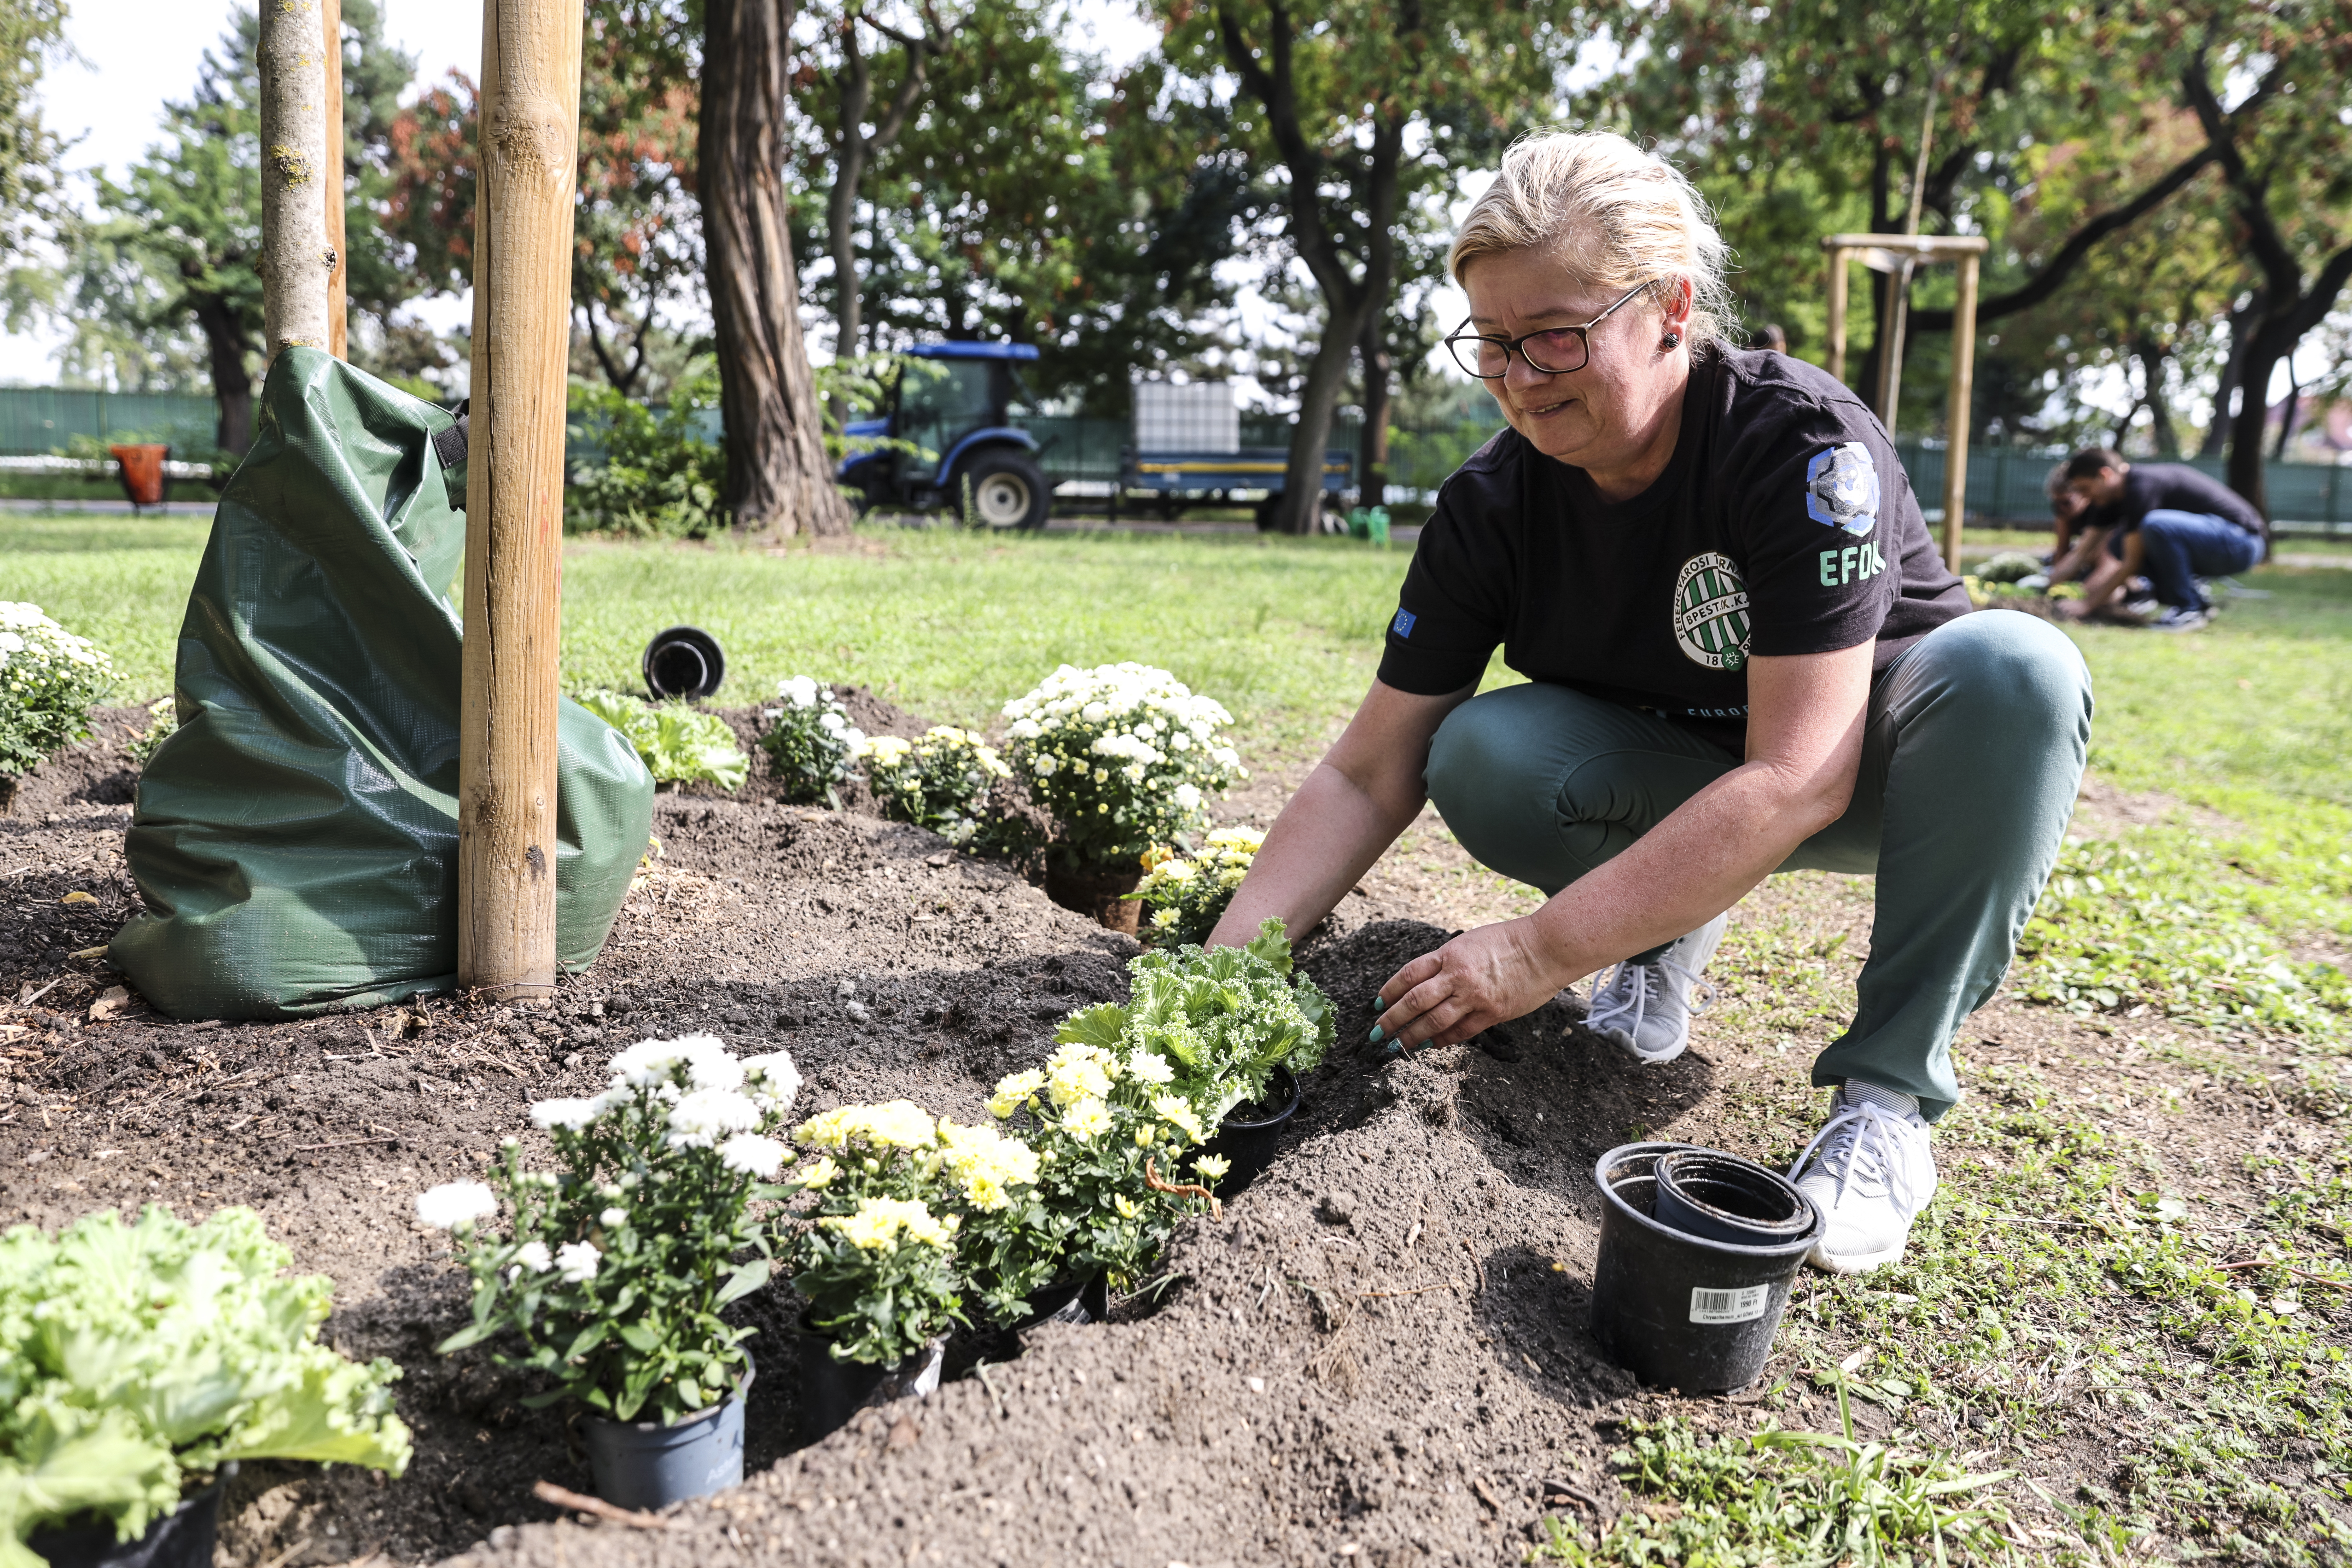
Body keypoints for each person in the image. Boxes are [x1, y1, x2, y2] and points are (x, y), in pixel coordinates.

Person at [1203, 131, 2093, 1276]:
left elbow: (1798, 776)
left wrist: (1534, 954)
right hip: (1685, 773)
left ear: (1668, 306)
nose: (1521, 376)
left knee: (2016, 668)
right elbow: (1365, 771)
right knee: (1478, 750)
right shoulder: (1491, 505)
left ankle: (1884, 1105)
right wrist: (1216, 980)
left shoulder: (1798, 448)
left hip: (1882, 774)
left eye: (1556, 336)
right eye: (1491, 343)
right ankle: (1662, 939)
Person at [2056, 448, 2266, 631]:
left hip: (2242, 543)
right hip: (2218, 544)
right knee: (2118, 545)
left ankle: (2189, 608)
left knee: (2157, 525)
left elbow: (2132, 563)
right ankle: (2195, 605)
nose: (2085, 497)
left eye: (2085, 489)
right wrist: (2046, 589)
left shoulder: (2142, 486)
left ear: (2105, 475)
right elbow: (2080, 553)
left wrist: (2087, 605)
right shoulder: (2108, 501)